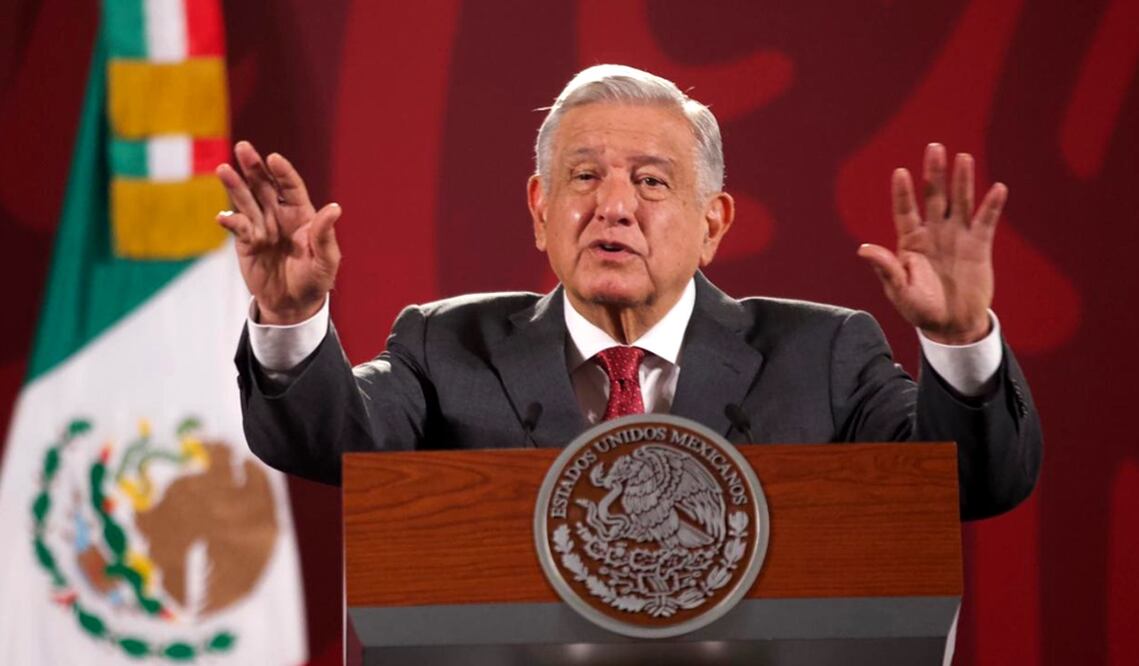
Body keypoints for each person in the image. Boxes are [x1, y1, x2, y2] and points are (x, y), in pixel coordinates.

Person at [217, 65, 1040, 520]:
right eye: (582, 177)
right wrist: (291, 319)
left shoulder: (824, 355)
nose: (612, 205)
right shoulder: (444, 348)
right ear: (540, 210)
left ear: (712, 222)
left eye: (651, 181)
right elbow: (327, 443)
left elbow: (971, 486)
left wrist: (963, 343)